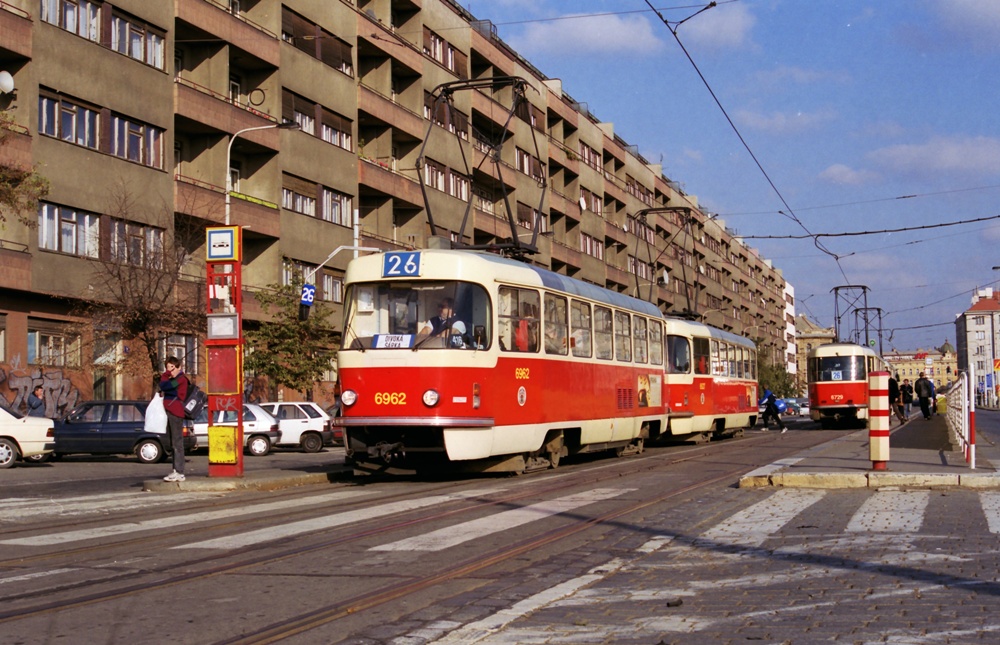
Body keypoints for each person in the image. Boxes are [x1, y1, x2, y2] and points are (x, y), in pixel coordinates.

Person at [159, 356, 189, 482]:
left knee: (177, 443)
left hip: (176, 412)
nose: (170, 371)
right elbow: (164, 386)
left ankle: (180, 472)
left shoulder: (181, 379)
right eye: (167, 368)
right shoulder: (175, 379)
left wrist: (166, 374)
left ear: (179, 367)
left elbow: (165, 386)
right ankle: (175, 470)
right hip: (170, 412)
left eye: (172, 368)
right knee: (171, 442)